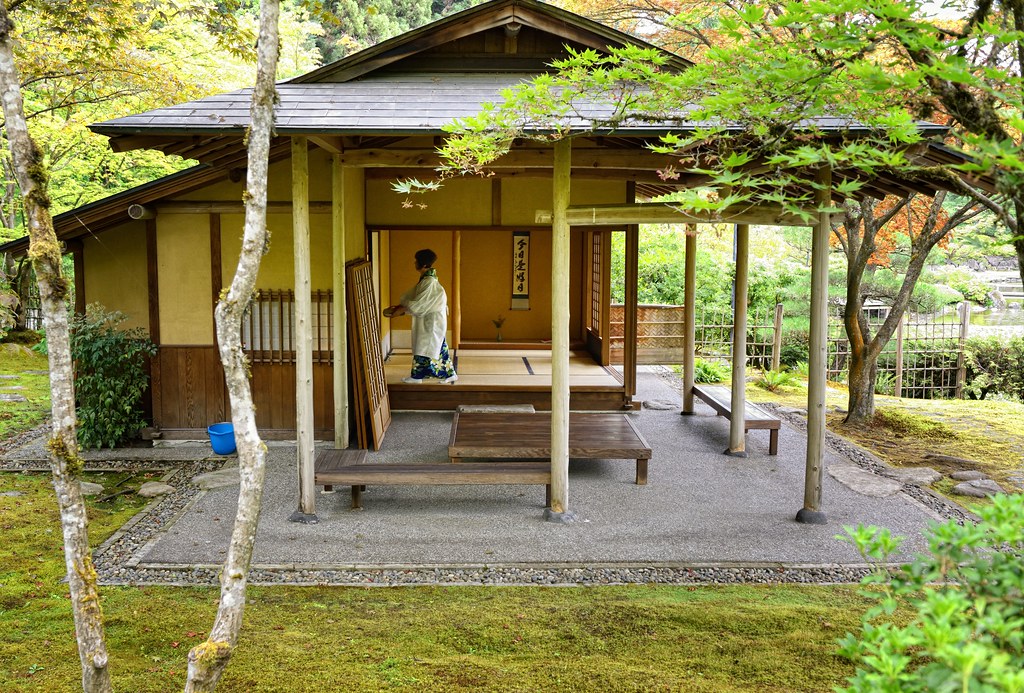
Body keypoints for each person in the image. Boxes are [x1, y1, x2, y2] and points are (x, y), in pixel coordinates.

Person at [385, 248, 458, 384]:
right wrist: (402, 307)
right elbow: (416, 300)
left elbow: (418, 304)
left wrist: (403, 308)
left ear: (423, 265)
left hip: (432, 320)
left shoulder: (429, 281)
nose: (414, 263)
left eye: (416, 261)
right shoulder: (427, 279)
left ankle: (417, 376)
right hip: (430, 318)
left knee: (425, 346)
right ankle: (449, 374)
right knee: (436, 346)